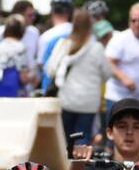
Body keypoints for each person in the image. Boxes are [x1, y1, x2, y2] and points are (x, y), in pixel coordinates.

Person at [45, 8, 110, 146]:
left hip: (67, 99)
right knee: (82, 140)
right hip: (89, 102)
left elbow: (50, 70)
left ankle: (65, 165)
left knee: (65, 138)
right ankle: (80, 166)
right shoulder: (96, 48)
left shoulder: (63, 45)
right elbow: (106, 74)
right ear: (90, 26)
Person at [0, 0, 40, 87]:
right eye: (30, 15)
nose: (33, 18)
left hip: (26, 86)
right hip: (10, 85)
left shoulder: (34, 32)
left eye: (34, 15)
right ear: (18, 16)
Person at [0, 15, 34, 99]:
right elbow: (23, 77)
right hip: (14, 96)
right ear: (21, 31)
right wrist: (32, 78)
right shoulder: (20, 48)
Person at [37, 0, 75, 94]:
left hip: (50, 88)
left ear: (52, 12)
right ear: (69, 13)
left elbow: (41, 64)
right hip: (74, 88)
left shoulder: (46, 36)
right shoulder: (79, 33)